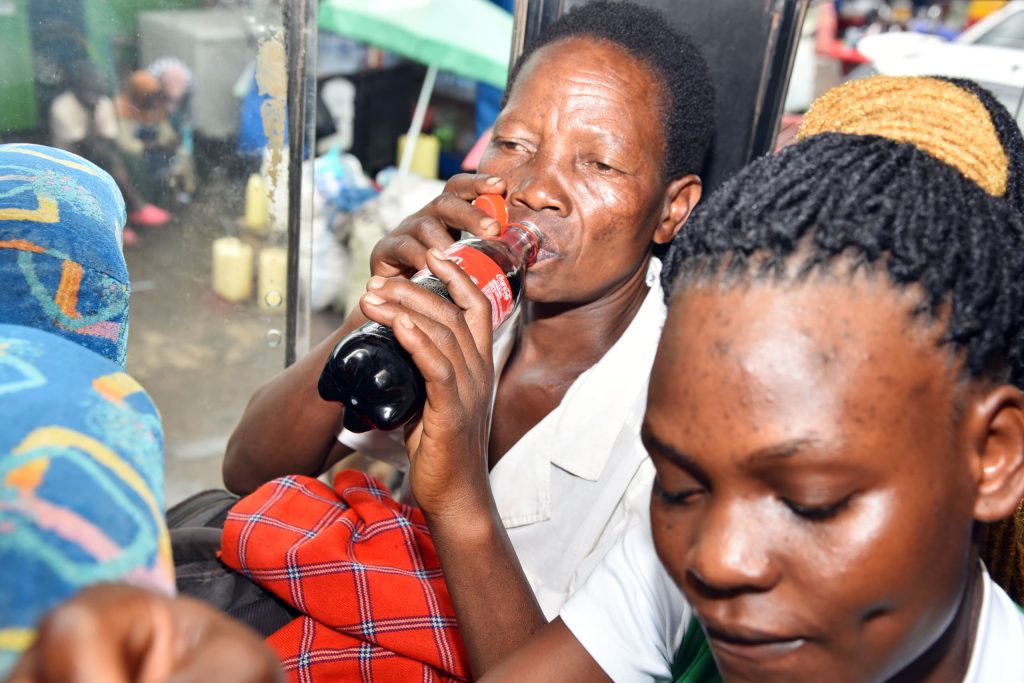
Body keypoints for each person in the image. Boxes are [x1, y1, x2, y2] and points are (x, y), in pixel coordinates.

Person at [476, 75, 1024, 681]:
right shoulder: (678, 554)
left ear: (992, 454)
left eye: (811, 503)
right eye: (679, 489)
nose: (716, 561)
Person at [223, 4, 713, 672]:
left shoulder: (688, 421)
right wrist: (376, 311)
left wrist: (457, 495)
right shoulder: (468, 301)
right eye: (513, 144)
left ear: (672, 209)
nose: (536, 190)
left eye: (598, 163)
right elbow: (249, 471)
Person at [49, 62, 170, 234]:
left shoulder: (103, 102)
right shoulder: (61, 107)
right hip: (69, 160)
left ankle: (131, 214)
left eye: (96, 90)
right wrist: (91, 113)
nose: (93, 96)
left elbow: (109, 139)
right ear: (77, 88)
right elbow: (82, 145)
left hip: (101, 154)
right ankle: (122, 219)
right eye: (88, 90)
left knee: (123, 162)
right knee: (102, 168)